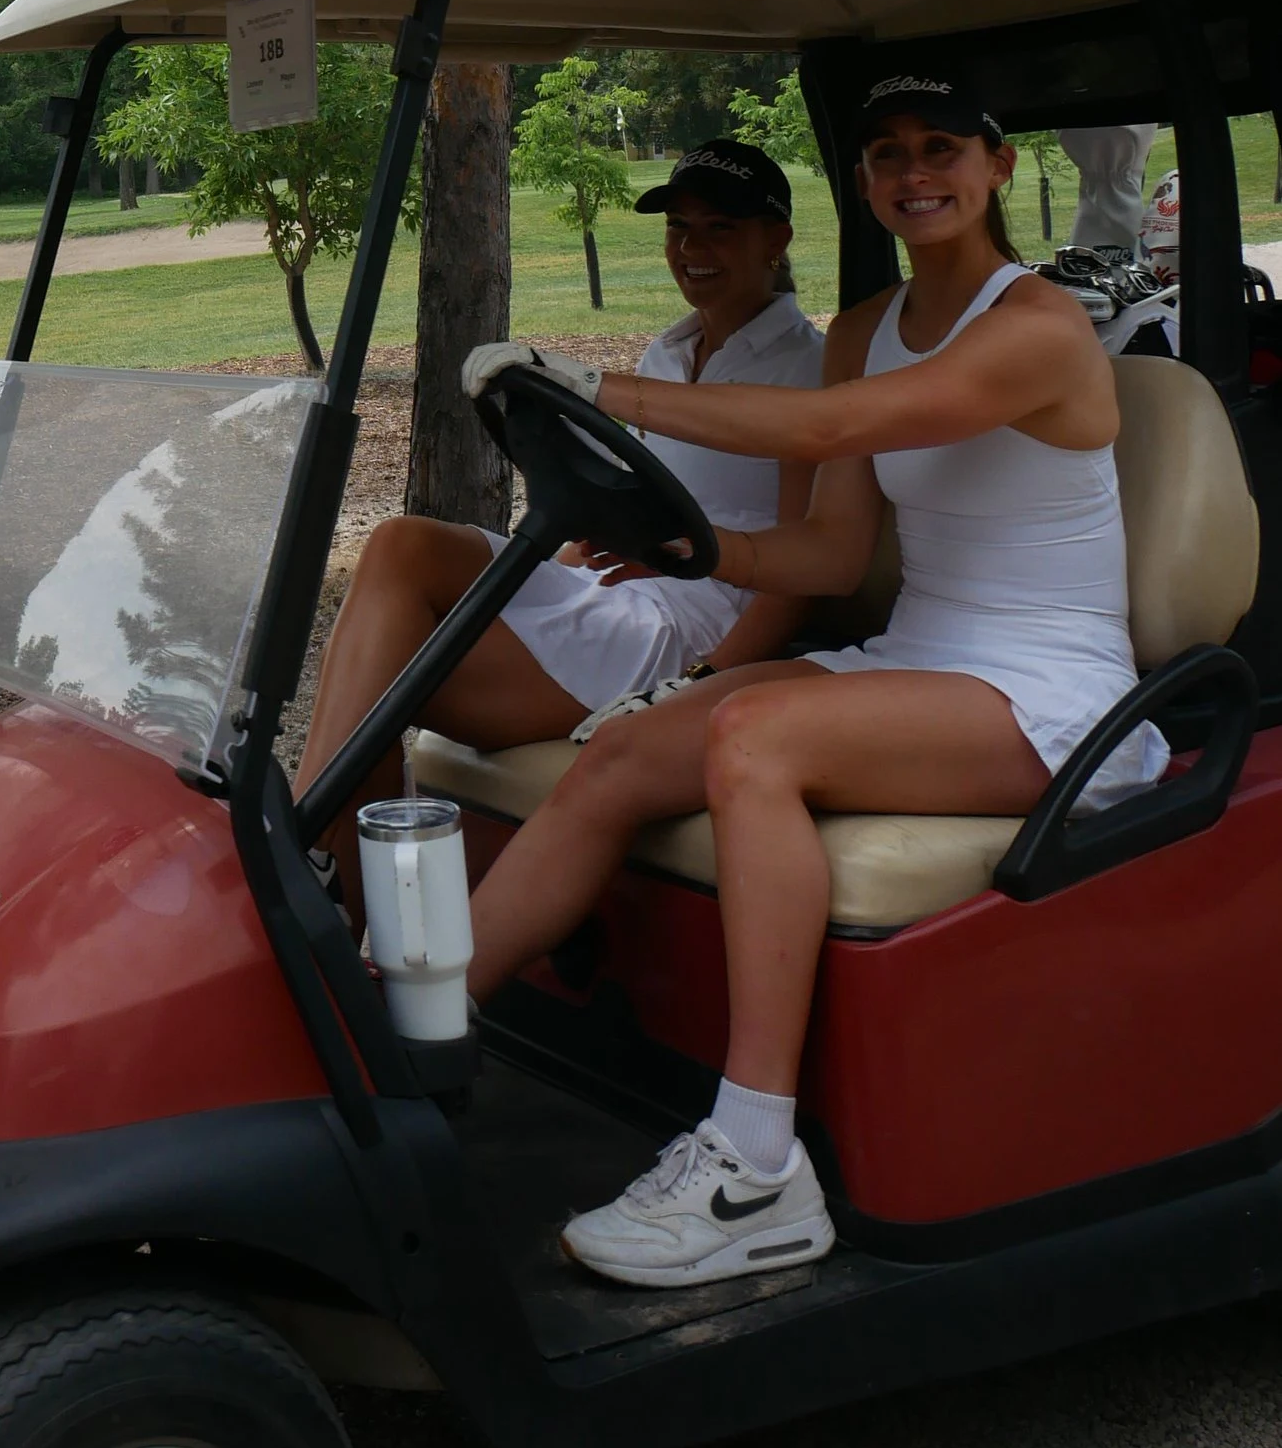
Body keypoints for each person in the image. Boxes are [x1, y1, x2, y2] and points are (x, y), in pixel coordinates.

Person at [455, 69, 1154, 1293]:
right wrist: (687, 545)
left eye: (941, 145)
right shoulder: (859, 326)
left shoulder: (1036, 324)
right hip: (915, 662)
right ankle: (397, 1029)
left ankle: (755, 1163)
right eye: (885, 151)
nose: (912, 171)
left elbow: (834, 431)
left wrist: (595, 386)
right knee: (629, 747)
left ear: (994, 165)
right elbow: (830, 550)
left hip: (1052, 691)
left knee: (758, 735)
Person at [294, 140, 823, 877]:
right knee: (399, 545)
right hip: (615, 587)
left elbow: (804, 567)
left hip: (686, 627)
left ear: (777, 239)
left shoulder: (811, 370)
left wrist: (701, 683)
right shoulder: (665, 355)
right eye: (679, 227)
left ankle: (308, 869)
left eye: (720, 228)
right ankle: (317, 865)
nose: (692, 248)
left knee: (377, 678)